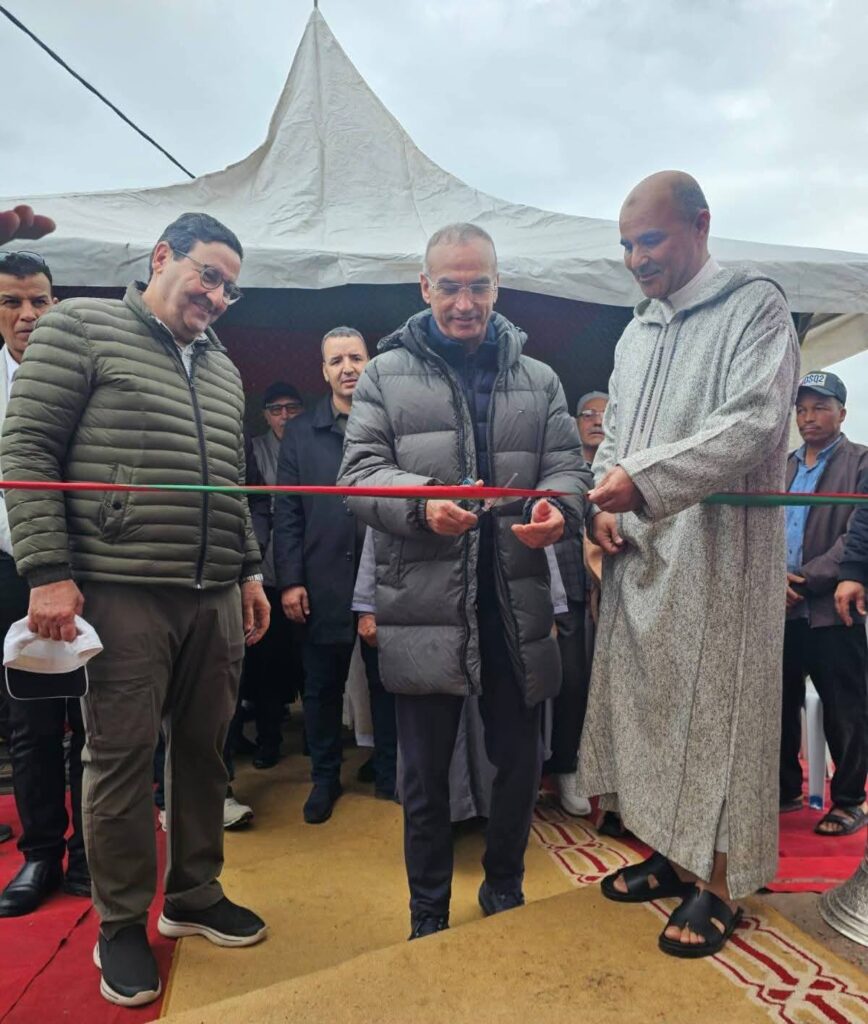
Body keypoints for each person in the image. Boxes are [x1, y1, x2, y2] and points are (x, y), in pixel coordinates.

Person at [1, 213, 271, 1007]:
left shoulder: (221, 365)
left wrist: (250, 570)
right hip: (120, 586)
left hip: (213, 590)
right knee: (120, 759)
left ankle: (193, 893)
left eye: (230, 288)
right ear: (161, 258)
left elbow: (231, 480)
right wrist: (49, 573)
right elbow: (27, 452)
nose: (217, 297)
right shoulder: (80, 328)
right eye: (208, 275)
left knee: (205, 752)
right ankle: (120, 922)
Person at [338, 223, 590, 940]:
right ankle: (427, 913)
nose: (464, 302)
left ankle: (504, 885)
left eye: (478, 285)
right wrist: (422, 504)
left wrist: (558, 510)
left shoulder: (539, 379)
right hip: (423, 600)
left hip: (516, 595)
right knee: (422, 776)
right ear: (425, 287)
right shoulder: (385, 374)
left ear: (497, 286)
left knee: (519, 762)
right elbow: (358, 476)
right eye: (449, 286)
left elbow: (568, 469)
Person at [579, 171, 799, 958]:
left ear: (701, 226)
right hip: (642, 551)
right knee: (654, 711)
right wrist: (603, 505)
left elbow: (754, 422)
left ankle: (723, 884)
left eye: (651, 240)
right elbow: (613, 436)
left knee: (720, 721)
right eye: (627, 245)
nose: (637, 259)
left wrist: (640, 482)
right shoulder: (636, 331)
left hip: (720, 556)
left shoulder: (756, 307)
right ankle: (673, 858)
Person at [0, 251, 89, 914]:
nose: (28, 314)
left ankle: (90, 850)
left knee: (94, 719)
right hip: (11, 573)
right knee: (30, 722)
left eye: (39, 300)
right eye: (12, 302)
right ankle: (40, 854)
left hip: (87, 571)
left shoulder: (88, 370)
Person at [273, 327, 370, 824]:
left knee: (390, 683)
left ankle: (391, 769)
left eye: (356, 357)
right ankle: (325, 777)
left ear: (370, 363)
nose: (347, 368)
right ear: (324, 371)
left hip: (382, 579)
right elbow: (287, 511)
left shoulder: (388, 420)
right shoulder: (301, 432)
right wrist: (291, 580)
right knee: (322, 688)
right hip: (321, 580)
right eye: (337, 361)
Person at [780, 371, 868, 834]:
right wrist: (772, 579)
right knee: (778, 704)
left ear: (842, 413)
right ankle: (785, 790)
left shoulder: (861, 461)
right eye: (801, 409)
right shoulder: (783, 466)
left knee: (844, 706)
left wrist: (805, 578)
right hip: (779, 606)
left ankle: (850, 800)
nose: (808, 417)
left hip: (831, 606)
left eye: (819, 407)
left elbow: (856, 533)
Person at [546, 391, 608, 818]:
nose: (597, 421)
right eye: (588, 414)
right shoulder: (561, 466)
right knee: (569, 683)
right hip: (566, 587)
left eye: (605, 414)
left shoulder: (620, 469)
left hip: (614, 592)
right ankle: (563, 767)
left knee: (600, 687)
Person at [237, 381, 305, 770]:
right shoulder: (252, 448)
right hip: (260, 570)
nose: (284, 416)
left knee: (306, 659)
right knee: (262, 661)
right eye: (276, 409)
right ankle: (267, 739)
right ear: (264, 415)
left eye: (292, 408)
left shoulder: (310, 445)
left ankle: (313, 735)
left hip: (303, 567)